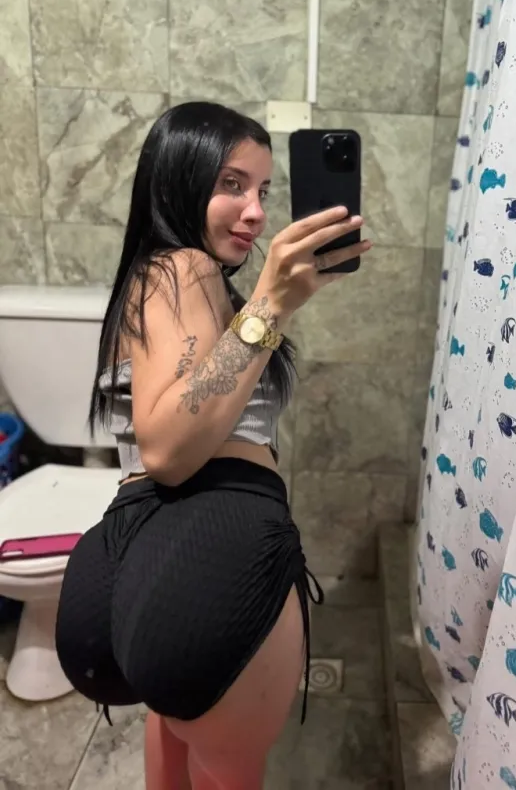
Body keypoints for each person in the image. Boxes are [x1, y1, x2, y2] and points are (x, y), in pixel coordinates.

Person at [54, 101, 372, 790]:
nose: (255, 212)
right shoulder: (184, 269)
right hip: (217, 537)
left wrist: (267, 308)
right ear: (178, 179)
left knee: (174, 725)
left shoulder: (162, 278)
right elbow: (170, 450)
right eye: (232, 184)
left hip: (142, 551)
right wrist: (269, 307)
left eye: (263, 191)